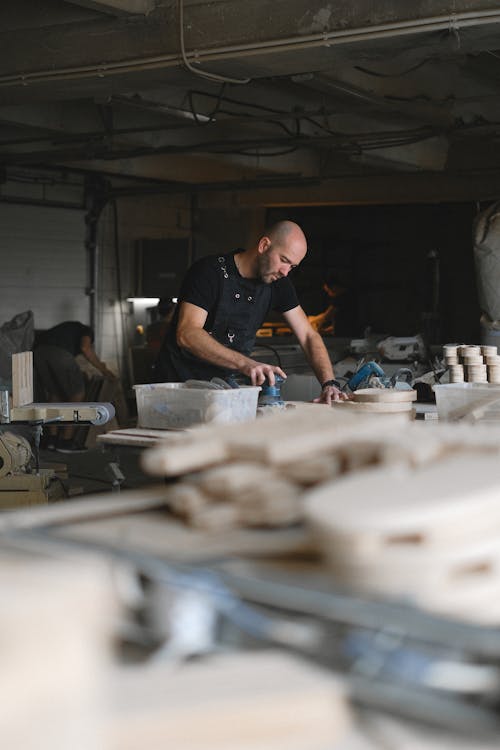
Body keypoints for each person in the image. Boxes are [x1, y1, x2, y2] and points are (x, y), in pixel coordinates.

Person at [155, 221, 347, 405]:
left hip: (222, 392)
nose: (285, 272)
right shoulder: (209, 272)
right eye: (284, 260)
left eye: (292, 266)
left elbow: (308, 336)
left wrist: (329, 383)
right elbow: (187, 334)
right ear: (264, 245)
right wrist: (246, 364)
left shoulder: (279, 284)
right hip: (178, 391)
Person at [33, 321, 116, 453]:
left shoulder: (67, 329)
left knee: (55, 395)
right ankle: (65, 441)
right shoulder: (86, 330)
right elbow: (85, 348)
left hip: (38, 354)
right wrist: (104, 370)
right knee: (77, 395)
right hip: (59, 355)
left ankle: (51, 440)